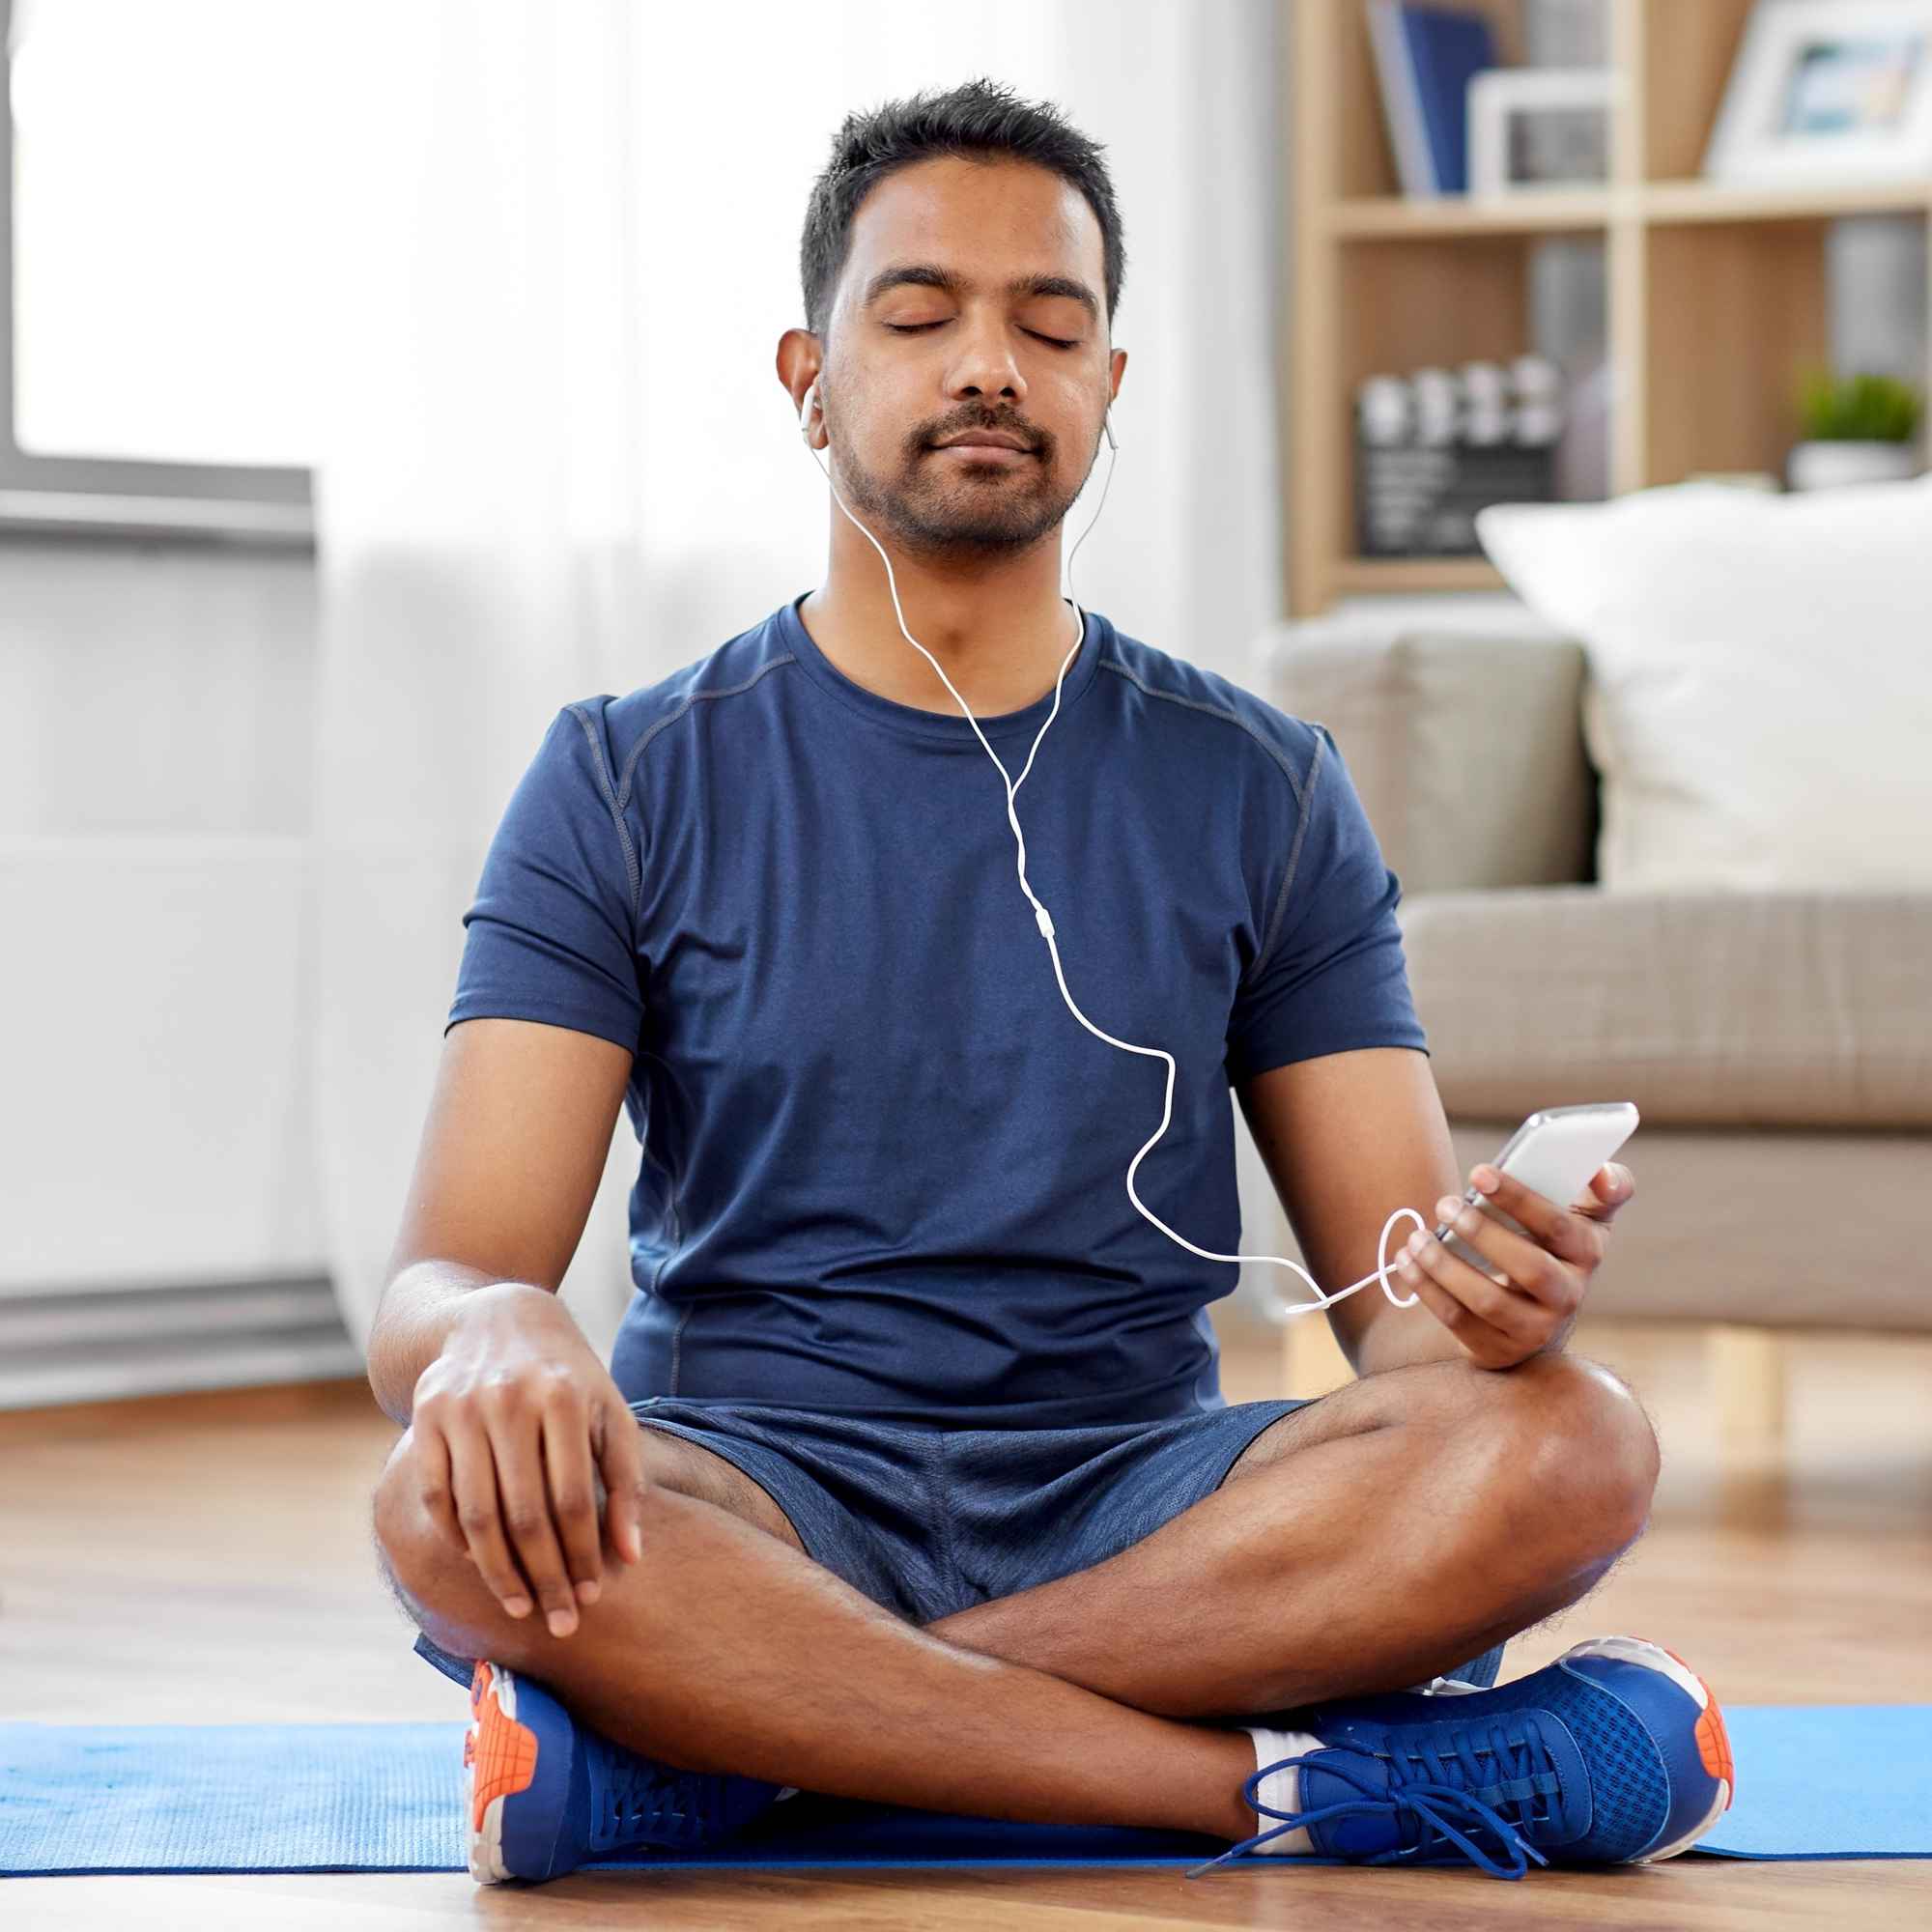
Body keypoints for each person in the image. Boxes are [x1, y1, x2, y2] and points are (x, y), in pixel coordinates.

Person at [368, 76, 1731, 1889]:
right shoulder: (625, 772)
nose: (987, 364)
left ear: (1108, 386)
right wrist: (490, 1324)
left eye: (1050, 324)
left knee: (1576, 1447)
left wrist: (1491, 1303)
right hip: (753, 1492)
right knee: (438, 1508)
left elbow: (1397, 1321)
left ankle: (746, 1756)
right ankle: (1280, 1789)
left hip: (1145, 1509)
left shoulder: (1258, 783)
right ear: (810, 378)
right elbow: (443, 1271)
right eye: (919, 316)